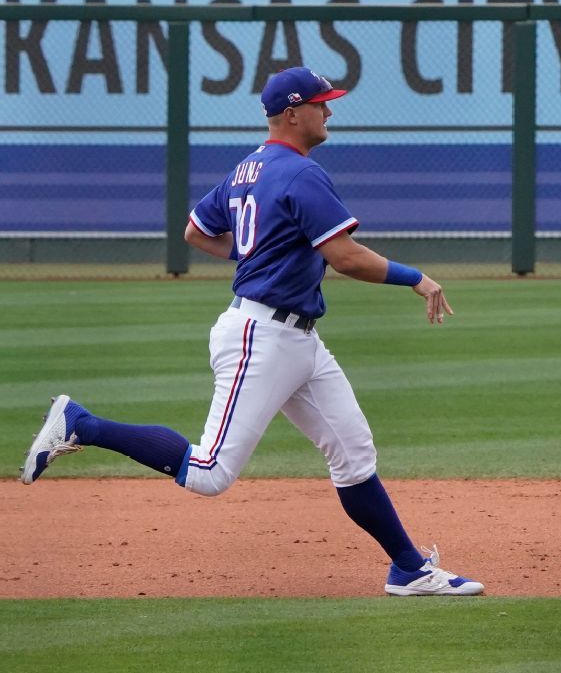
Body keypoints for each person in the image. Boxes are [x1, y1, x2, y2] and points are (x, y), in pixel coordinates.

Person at [21, 66, 483, 597]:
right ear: (292, 112)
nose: (328, 111)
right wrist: (416, 279)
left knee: (354, 455)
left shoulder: (247, 170)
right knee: (209, 473)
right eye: (320, 103)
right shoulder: (303, 173)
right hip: (260, 336)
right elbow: (346, 257)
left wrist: (254, 254)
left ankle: (409, 569)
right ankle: (82, 423)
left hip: (299, 339)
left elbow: (195, 231)